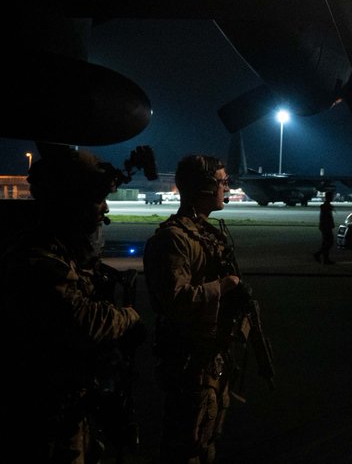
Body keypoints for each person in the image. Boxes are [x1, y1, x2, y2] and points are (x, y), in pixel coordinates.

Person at [0, 147, 145, 463]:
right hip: (41, 415)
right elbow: (84, 322)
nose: (104, 210)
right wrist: (129, 317)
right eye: (96, 202)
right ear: (70, 206)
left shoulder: (60, 255)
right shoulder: (38, 262)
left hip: (67, 406)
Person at [143, 154, 257, 463]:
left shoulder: (207, 234)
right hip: (189, 366)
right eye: (222, 182)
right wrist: (224, 286)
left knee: (205, 442)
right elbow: (175, 300)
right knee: (186, 446)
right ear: (205, 187)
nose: (226, 188)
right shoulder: (174, 240)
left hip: (210, 360)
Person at [313, 186, 336, 264]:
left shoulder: (327, 206)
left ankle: (325, 259)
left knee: (326, 242)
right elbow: (326, 218)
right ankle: (318, 254)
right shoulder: (326, 207)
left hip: (325, 226)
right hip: (326, 227)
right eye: (331, 196)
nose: (332, 198)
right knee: (329, 242)